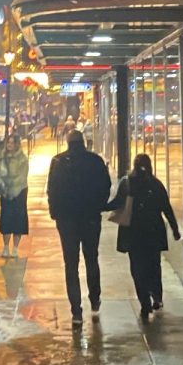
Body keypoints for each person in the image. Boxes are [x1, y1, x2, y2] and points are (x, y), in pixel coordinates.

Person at [47, 128, 111, 327]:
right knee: (91, 257)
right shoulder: (95, 161)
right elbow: (105, 186)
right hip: (90, 217)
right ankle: (95, 298)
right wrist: (98, 205)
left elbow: (52, 190)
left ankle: (76, 309)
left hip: (66, 220)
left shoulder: (58, 162)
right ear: (83, 142)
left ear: (68, 142)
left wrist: (55, 212)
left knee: (71, 263)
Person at [107, 152, 180, 321]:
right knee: (154, 265)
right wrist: (175, 229)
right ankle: (157, 296)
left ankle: (144, 301)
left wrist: (97, 206)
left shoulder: (127, 183)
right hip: (153, 231)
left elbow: (117, 203)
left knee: (137, 267)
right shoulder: (156, 184)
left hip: (134, 232)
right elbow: (166, 208)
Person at [0, 132, 29, 258]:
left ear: (16, 144)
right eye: (8, 142)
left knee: (18, 220)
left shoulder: (22, 158)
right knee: (6, 219)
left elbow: (22, 176)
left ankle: (15, 248)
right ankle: (5, 246)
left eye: (12, 142)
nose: (9, 145)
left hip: (20, 191)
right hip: (6, 192)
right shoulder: (2, 157)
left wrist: (10, 183)